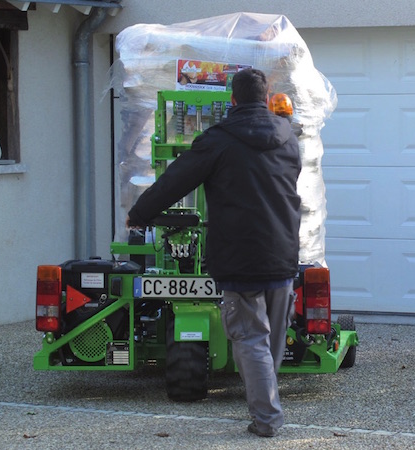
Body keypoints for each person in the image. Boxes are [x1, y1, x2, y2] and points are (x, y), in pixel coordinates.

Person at [126, 68, 301, 438]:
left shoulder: (219, 139)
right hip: (283, 253)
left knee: (251, 338)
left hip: (240, 257)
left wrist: (139, 214)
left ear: (232, 100)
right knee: (271, 339)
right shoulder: (288, 137)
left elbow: (175, 180)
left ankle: (267, 419)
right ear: (267, 95)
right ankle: (265, 406)